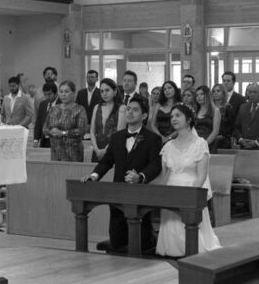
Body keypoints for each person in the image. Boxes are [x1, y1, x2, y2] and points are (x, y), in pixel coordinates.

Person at [85, 95, 163, 254]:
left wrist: (140, 176)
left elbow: (155, 165)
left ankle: (147, 245)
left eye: (135, 110)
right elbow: (106, 161)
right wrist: (94, 176)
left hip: (140, 192)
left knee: (142, 240)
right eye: (128, 109)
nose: (130, 113)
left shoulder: (153, 138)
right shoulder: (117, 137)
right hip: (118, 191)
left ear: (144, 115)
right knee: (117, 240)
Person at [156, 104, 221, 258]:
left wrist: (192, 194)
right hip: (172, 190)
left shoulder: (200, 144)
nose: (173, 119)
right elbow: (164, 176)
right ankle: (172, 248)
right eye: (172, 116)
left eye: (178, 115)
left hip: (191, 189)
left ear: (189, 119)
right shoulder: (168, 146)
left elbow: (201, 175)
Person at [44, 80, 89, 161]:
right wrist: (51, 132)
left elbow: (82, 130)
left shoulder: (79, 109)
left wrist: (62, 133)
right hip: (56, 152)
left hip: (73, 153)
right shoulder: (54, 109)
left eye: (66, 91)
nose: (63, 94)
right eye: (61, 92)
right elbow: (45, 128)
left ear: (73, 93)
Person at [89, 78, 127, 161]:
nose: (104, 94)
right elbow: (92, 131)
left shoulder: (122, 108)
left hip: (114, 149)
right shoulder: (97, 107)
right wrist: (96, 149)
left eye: (107, 90)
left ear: (115, 91)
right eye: (102, 91)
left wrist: (105, 150)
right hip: (97, 150)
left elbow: (119, 133)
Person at [193, 85, 222, 152]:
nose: (199, 97)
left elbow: (215, 132)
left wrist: (204, 144)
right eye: (197, 95)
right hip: (194, 143)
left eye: (202, 94)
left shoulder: (215, 111)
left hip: (208, 144)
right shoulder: (194, 111)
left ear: (207, 95)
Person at [211, 83, 235, 150]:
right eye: (213, 91)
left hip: (223, 140)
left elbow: (231, 126)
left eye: (218, 91)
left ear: (223, 93)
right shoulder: (209, 108)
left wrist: (223, 136)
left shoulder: (228, 108)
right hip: (209, 138)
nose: (215, 93)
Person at [33, 82, 57, 148]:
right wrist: (36, 139)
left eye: (49, 94)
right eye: (45, 94)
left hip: (57, 140)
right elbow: (38, 123)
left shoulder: (62, 104)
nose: (47, 97)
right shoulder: (43, 104)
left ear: (55, 93)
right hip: (44, 140)